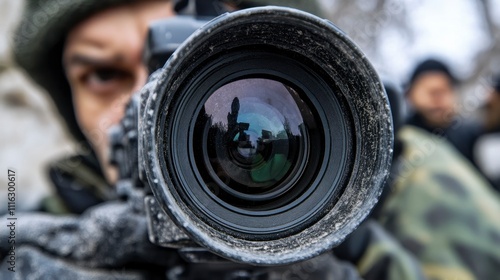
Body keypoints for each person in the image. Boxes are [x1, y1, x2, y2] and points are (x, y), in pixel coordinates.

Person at [0, 0, 427, 279]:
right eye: (103, 75)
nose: (147, 104)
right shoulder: (29, 232)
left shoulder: (410, 188)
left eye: (197, 60)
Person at [404, 58, 483, 168]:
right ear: (410, 94)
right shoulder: (398, 136)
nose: (437, 98)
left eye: (444, 89)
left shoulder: (474, 137)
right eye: (428, 90)